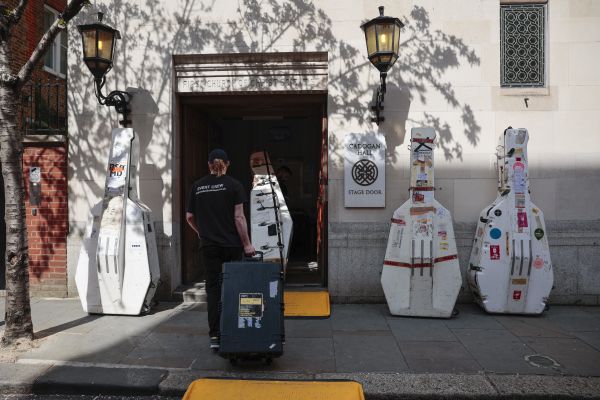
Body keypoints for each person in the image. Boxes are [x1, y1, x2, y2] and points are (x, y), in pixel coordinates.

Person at [186, 149, 255, 350]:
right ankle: (234, 330)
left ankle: (215, 336)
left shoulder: (197, 187)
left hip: (209, 247)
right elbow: (239, 217)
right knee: (234, 288)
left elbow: (189, 217)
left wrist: (201, 232)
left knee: (213, 290)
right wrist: (247, 244)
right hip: (232, 246)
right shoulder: (234, 185)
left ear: (209, 164)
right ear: (228, 164)